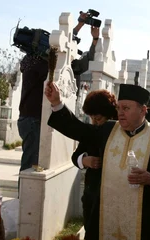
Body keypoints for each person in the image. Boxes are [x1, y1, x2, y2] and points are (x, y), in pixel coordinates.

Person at [45, 83, 150, 240]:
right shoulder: (108, 129)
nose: (120, 113)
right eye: (118, 108)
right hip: (107, 216)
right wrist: (57, 103)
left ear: (143, 110)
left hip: (144, 220)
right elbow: (79, 130)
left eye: (126, 108)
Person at [17, 20, 100, 175]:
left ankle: (25, 195)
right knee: (31, 166)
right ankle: (26, 198)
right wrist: (94, 41)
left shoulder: (30, 60)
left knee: (30, 163)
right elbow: (78, 64)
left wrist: (79, 26)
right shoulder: (44, 65)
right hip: (35, 120)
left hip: (27, 118)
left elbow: (65, 46)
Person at [70, 90, 117, 240]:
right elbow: (75, 156)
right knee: (92, 237)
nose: (95, 122)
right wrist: (85, 160)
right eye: (92, 119)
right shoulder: (91, 132)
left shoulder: (118, 131)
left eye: (98, 118)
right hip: (92, 192)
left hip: (113, 194)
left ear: (110, 115)